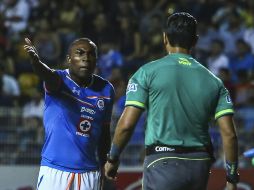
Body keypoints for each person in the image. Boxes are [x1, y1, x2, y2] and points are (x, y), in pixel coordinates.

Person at [104, 12, 239, 190]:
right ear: (195, 40)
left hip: (162, 161)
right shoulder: (214, 82)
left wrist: (113, 158)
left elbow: (127, 124)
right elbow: (229, 134)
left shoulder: (147, 73)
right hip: (199, 165)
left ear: (164, 38)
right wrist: (231, 177)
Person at [23, 37, 115, 190]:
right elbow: (47, 74)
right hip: (55, 171)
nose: (86, 58)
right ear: (69, 59)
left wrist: (105, 166)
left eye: (91, 54)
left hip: (89, 173)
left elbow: (105, 133)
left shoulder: (106, 89)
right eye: (80, 53)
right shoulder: (58, 80)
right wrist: (36, 63)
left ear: (96, 60)